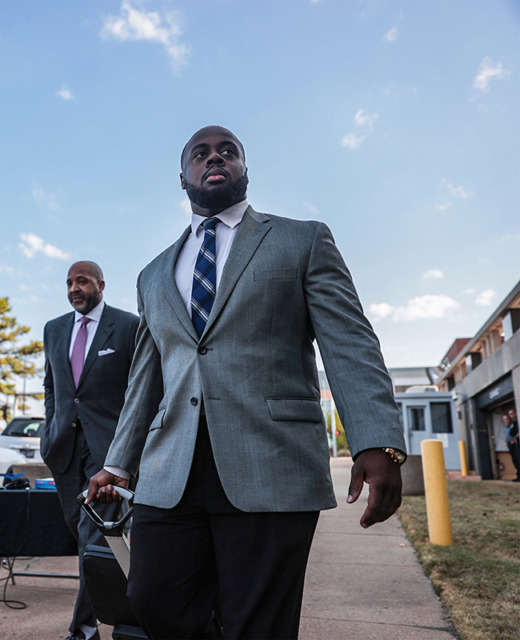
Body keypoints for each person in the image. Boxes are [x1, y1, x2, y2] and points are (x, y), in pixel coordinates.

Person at [87, 126, 406, 639]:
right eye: (201, 153)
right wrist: (118, 462)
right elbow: (146, 375)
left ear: (244, 169)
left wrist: (377, 440)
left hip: (271, 464)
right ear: (184, 177)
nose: (215, 158)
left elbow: (349, 343)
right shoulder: (152, 275)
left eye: (228, 151)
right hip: (171, 474)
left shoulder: (301, 240)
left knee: (258, 624)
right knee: (153, 599)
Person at [40, 260, 139, 640]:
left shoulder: (128, 325)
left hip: (109, 450)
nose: (73, 288)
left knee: (93, 534)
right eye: (68, 283)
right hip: (63, 448)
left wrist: (129, 448)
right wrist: (50, 431)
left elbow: (140, 387)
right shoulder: (54, 329)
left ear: (100, 284)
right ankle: (131, 607)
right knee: (82, 535)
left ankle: (82, 629)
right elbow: (52, 387)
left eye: (81, 281)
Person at [503, 409, 519, 481]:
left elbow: (516, 433)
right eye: (510, 414)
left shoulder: (516, 423)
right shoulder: (509, 426)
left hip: (515, 444)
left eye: (512, 413)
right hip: (510, 445)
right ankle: (518, 476)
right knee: (515, 460)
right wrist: (506, 441)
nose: (511, 415)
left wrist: (514, 438)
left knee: (518, 459)